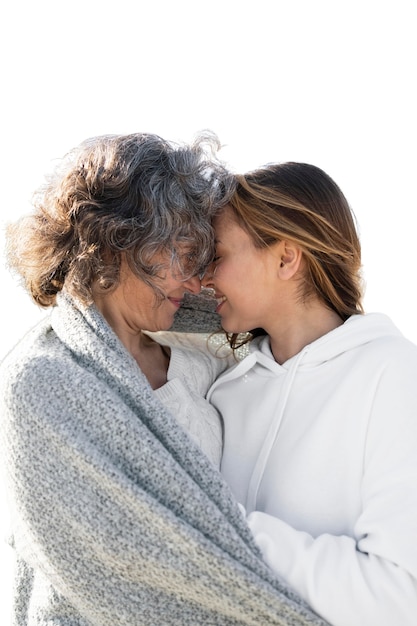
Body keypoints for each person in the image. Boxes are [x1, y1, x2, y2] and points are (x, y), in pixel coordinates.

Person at [0, 135, 328, 626]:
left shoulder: (205, 360)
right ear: (118, 243)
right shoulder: (43, 380)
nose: (196, 283)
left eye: (205, 259)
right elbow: (108, 558)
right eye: (182, 253)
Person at [204, 162, 417, 626]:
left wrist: (223, 530)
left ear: (285, 258)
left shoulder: (394, 374)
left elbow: (401, 597)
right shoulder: (226, 393)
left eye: (216, 256)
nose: (204, 279)